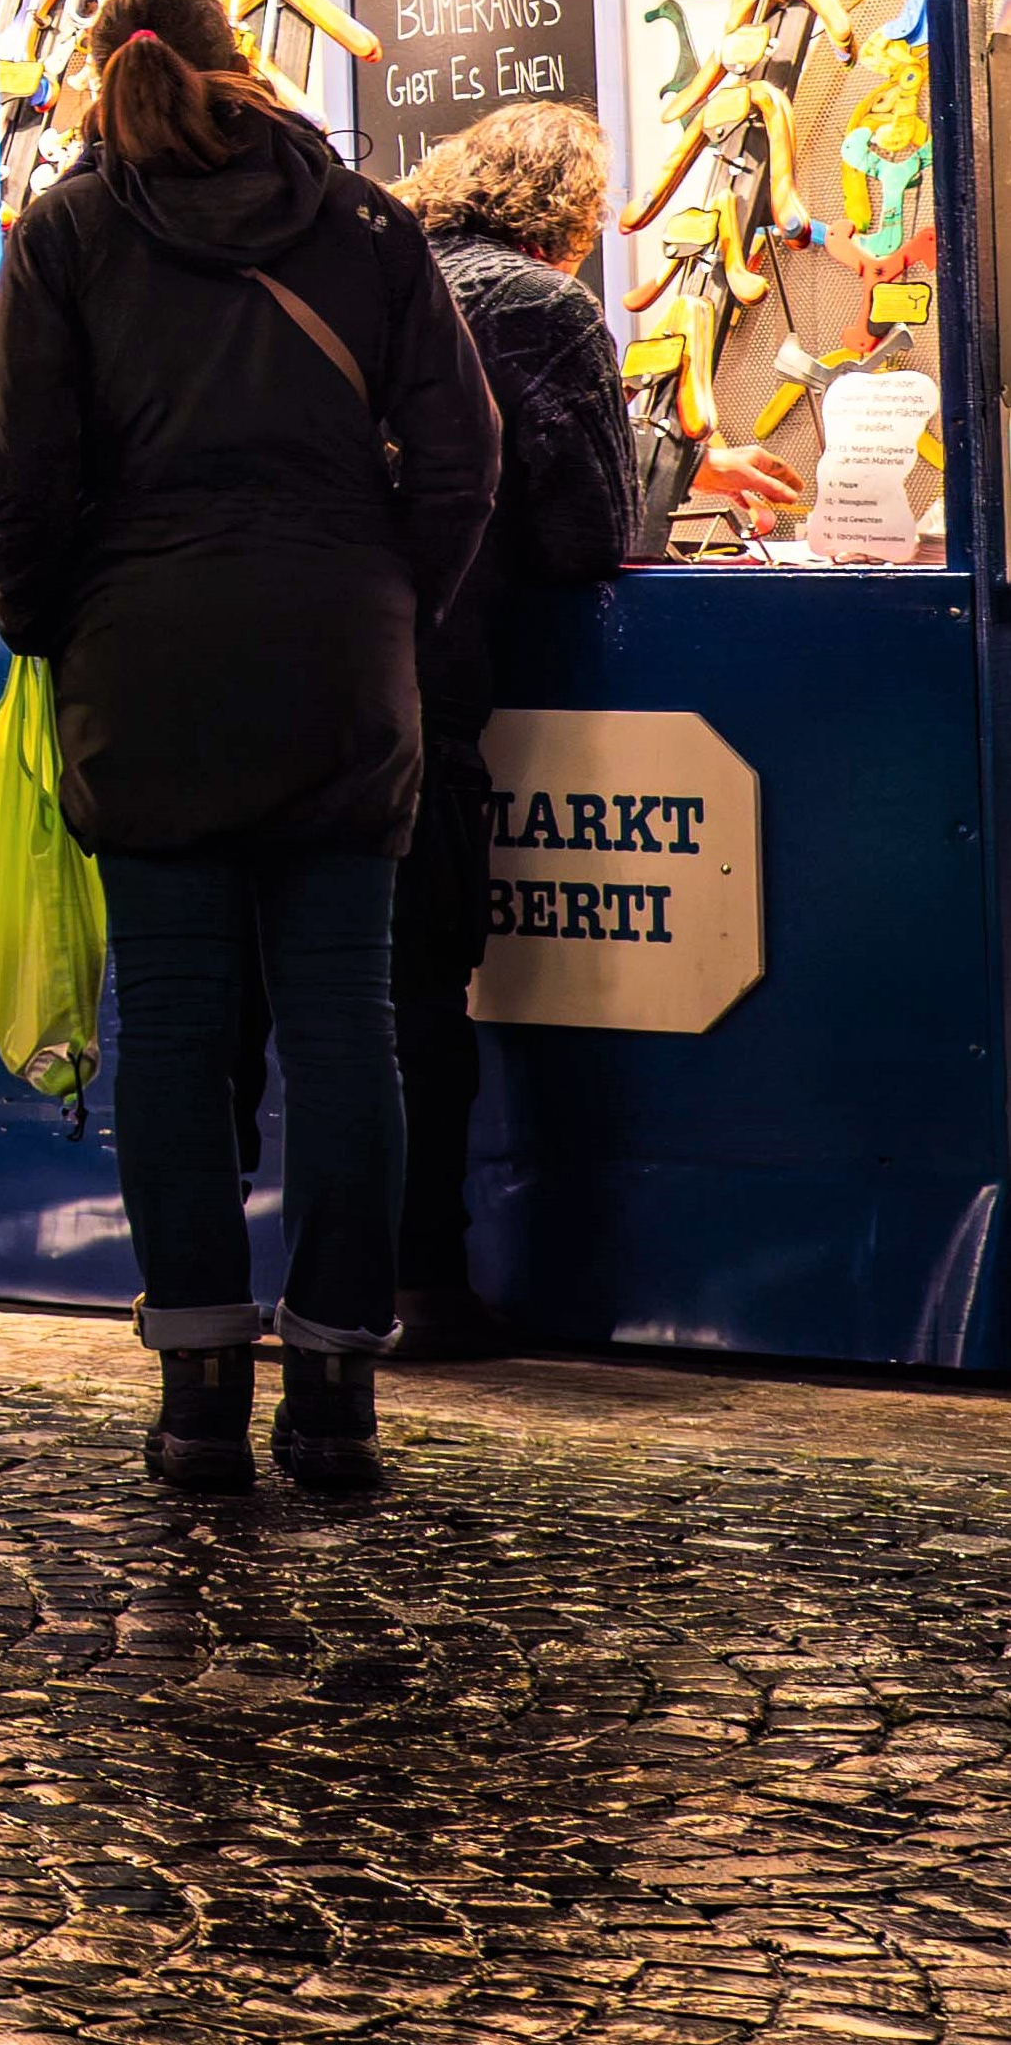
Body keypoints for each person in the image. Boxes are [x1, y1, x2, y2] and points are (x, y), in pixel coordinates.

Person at [0, 0, 495, 1496]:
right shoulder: (372, 227)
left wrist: (55, 623)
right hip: (341, 661)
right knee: (347, 1026)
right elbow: (465, 451)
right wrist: (394, 592)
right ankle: (335, 1386)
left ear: (103, 76)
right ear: (244, 63)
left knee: (174, 1021)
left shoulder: (66, 236)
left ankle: (200, 1387)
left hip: (145, 666)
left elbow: (18, 470)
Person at [389, 100, 798, 1358]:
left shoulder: (381, 275)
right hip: (429, 696)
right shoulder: (542, 301)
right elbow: (582, 534)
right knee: (420, 999)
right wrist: (651, 471)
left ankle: (279, 1290)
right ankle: (425, 1283)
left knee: (313, 997)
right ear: (568, 212)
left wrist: (678, 455)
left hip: (303, 676)